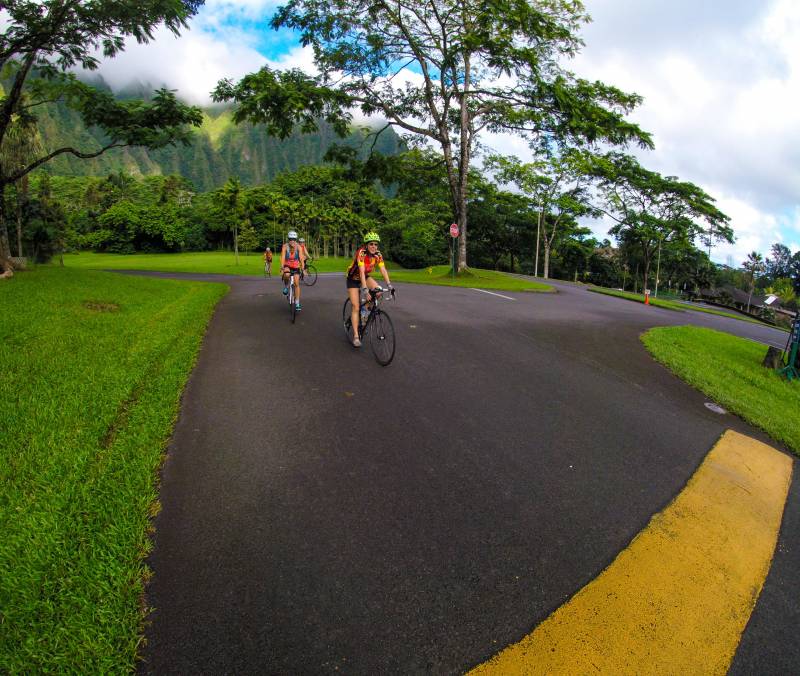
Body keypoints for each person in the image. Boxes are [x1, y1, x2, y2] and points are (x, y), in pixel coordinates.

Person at [346, 231, 393, 347]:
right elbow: (361, 272)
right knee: (355, 306)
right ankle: (356, 336)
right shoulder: (361, 253)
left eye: (376, 244)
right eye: (371, 244)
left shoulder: (378, 255)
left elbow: (383, 269)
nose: (374, 247)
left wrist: (389, 285)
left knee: (379, 291)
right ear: (366, 245)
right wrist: (365, 290)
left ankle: (365, 311)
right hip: (353, 278)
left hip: (365, 277)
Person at [281, 231, 306, 311]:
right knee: (287, 275)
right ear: (288, 239)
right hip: (287, 265)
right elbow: (283, 257)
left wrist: (303, 269)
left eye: (294, 239)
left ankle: (297, 302)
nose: (292, 241)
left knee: (296, 283)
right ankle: (286, 286)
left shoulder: (298, 247)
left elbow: (301, 258)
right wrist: (282, 267)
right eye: (291, 239)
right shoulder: (285, 246)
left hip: (296, 266)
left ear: (296, 240)